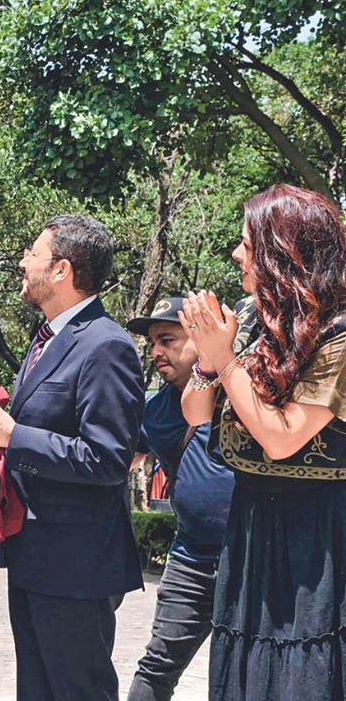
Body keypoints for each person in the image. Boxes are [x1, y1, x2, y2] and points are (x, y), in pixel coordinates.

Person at [180, 185, 346, 701]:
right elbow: (195, 411)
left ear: (283, 253)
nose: (235, 254)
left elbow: (281, 438)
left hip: (318, 529)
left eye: (247, 243)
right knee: (245, 671)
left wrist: (225, 359)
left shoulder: (338, 333)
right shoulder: (250, 316)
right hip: (250, 518)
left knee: (302, 675)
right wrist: (209, 360)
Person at [0, 214, 144, 701]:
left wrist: (15, 436)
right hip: (35, 557)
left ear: (62, 270)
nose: (23, 262)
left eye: (33, 253)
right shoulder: (48, 337)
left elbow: (108, 459)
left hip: (76, 567)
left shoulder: (106, 345)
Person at [124, 297, 235, 701]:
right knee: (157, 667)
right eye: (152, 343)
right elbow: (115, 458)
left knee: (242, 673)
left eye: (167, 339)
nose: (156, 352)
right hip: (191, 559)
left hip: (253, 559)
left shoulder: (245, 388)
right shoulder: (152, 410)